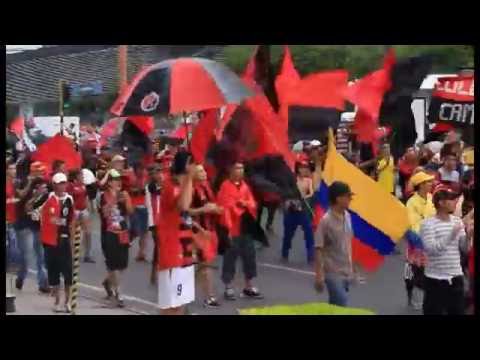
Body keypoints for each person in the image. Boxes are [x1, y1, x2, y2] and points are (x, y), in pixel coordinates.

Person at [420, 185, 473, 315]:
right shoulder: (428, 224)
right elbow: (431, 249)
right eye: (451, 199)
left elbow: (464, 249)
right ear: (441, 203)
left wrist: (469, 237)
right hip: (435, 279)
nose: (455, 202)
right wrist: (451, 235)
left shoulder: (456, 221)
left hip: (456, 278)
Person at [156, 151, 197, 315]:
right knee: (171, 304)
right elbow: (184, 206)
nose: (195, 166)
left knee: (181, 303)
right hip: (172, 251)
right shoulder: (170, 185)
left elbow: (187, 212)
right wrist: (189, 179)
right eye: (191, 163)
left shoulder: (184, 185)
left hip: (185, 249)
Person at [217, 161, 264, 301]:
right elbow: (225, 207)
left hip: (246, 227)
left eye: (242, 168)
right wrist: (239, 206)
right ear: (231, 170)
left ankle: (248, 286)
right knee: (230, 258)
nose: (240, 171)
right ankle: (228, 286)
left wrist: (245, 204)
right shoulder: (225, 187)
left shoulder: (245, 187)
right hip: (232, 228)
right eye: (237, 168)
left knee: (249, 256)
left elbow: (253, 203)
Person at [188, 164, 223, 308]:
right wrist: (203, 209)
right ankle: (210, 297)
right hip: (198, 231)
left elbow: (212, 206)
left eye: (203, 170)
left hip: (210, 230)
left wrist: (217, 209)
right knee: (206, 264)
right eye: (200, 171)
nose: (204, 173)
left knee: (202, 265)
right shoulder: (191, 189)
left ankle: (186, 290)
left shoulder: (207, 186)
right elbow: (186, 211)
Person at [314, 181, 354, 307]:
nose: (350, 199)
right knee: (342, 305)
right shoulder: (326, 221)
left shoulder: (347, 216)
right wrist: (319, 275)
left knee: (334, 307)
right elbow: (319, 248)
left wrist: (353, 267)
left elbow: (347, 242)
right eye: (348, 196)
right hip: (332, 272)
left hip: (346, 271)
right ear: (338, 198)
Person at [40, 173, 76, 313]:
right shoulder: (48, 197)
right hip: (50, 241)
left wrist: (72, 240)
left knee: (68, 272)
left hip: (64, 239)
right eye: (60, 183)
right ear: (54, 184)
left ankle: (67, 302)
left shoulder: (69, 199)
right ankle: (57, 301)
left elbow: (71, 220)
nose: (62, 186)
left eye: (64, 183)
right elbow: (34, 209)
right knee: (53, 271)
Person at [99, 169, 134, 308]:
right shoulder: (103, 196)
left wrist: (126, 199)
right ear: (109, 183)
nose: (118, 182)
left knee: (122, 265)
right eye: (115, 180)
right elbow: (104, 213)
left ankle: (108, 281)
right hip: (109, 232)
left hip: (123, 232)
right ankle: (119, 294)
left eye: (119, 179)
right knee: (114, 265)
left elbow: (130, 212)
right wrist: (114, 199)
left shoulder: (124, 194)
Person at [14, 161, 49, 293]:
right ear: (33, 171)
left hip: (37, 224)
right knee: (26, 256)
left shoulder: (45, 184)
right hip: (23, 223)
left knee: (41, 254)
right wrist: (33, 189)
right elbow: (24, 202)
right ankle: (21, 276)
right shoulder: (22, 182)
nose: (41, 174)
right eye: (38, 171)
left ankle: (43, 282)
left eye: (42, 171)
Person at [404, 171, 436, 310]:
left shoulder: (431, 198)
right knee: (413, 273)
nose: (431, 184)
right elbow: (413, 225)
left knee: (428, 273)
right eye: (428, 182)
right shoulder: (412, 202)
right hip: (417, 243)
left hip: (431, 242)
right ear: (421, 185)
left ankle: (427, 299)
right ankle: (411, 295)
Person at [282, 161, 315, 263]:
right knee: (288, 234)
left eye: (306, 167)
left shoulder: (309, 180)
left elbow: (311, 192)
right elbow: (286, 193)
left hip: (303, 210)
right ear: (297, 168)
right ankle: (285, 253)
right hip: (291, 211)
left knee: (309, 232)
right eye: (301, 167)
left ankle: (310, 255)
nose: (304, 169)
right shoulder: (292, 180)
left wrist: (305, 197)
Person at [67, 169, 94, 263]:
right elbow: (69, 199)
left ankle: (88, 254)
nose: (83, 177)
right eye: (81, 175)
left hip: (83, 210)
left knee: (88, 232)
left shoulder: (83, 185)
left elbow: (86, 197)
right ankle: (70, 255)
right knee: (73, 234)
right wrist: (73, 212)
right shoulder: (70, 186)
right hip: (75, 211)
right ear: (76, 176)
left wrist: (89, 209)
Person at [145, 164, 164, 285]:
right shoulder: (150, 188)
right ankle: (154, 272)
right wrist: (151, 224)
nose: (158, 175)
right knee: (158, 248)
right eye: (155, 173)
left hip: (165, 220)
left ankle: (161, 272)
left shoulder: (165, 185)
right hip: (155, 221)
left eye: (159, 172)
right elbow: (149, 207)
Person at [129, 162, 149, 262]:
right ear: (135, 169)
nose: (142, 171)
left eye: (143, 169)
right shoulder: (130, 175)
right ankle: (128, 239)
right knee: (135, 230)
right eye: (140, 169)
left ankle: (142, 253)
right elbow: (127, 189)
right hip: (133, 206)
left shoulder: (146, 175)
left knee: (144, 232)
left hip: (144, 206)